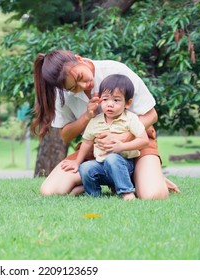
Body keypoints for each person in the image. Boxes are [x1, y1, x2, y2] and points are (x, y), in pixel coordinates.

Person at [32, 50, 180, 199]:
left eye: (80, 77)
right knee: (49, 191)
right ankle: (111, 180)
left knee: (154, 195)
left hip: (137, 142)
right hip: (98, 149)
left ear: (79, 59)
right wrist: (86, 116)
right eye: (73, 88)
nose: (83, 85)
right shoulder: (62, 94)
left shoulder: (115, 70)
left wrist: (123, 138)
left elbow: (152, 114)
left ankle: (141, 176)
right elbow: (65, 135)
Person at [61, 74, 148, 200]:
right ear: (100, 99)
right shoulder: (96, 121)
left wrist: (122, 146)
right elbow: (87, 142)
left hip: (124, 166)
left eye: (116, 100)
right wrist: (77, 162)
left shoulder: (130, 119)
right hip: (101, 165)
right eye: (105, 99)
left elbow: (143, 140)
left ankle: (127, 192)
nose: (110, 104)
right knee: (86, 167)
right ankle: (93, 194)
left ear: (128, 103)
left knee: (112, 159)